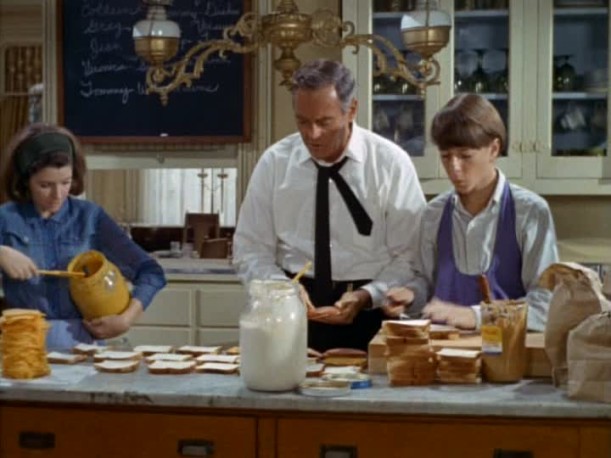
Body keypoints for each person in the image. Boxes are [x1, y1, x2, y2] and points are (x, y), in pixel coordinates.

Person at [233, 59, 426, 352]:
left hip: (372, 312)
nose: (312, 134)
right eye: (302, 121)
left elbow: (412, 256)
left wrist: (366, 295)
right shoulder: (275, 163)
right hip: (290, 309)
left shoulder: (390, 164)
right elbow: (249, 249)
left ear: (351, 110)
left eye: (324, 122)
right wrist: (280, 289)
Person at [386, 93, 558, 331]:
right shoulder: (433, 214)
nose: (454, 168)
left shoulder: (530, 212)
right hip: (446, 356)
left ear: (494, 149)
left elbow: (546, 304)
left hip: (509, 357)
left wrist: (476, 316)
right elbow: (426, 284)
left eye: (465, 156)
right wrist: (411, 295)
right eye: (446, 157)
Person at [0, 123, 167, 349]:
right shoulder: (7, 218)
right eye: (45, 185)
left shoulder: (90, 218)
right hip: (20, 346)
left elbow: (151, 272)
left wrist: (125, 320)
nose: (57, 195)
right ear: (24, 181)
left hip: (81, 346)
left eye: (65, 183)